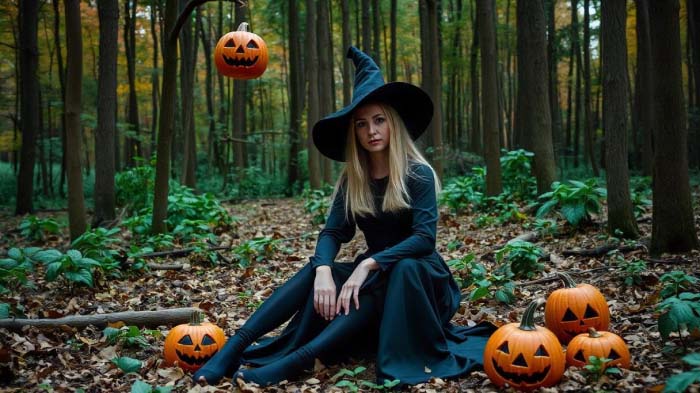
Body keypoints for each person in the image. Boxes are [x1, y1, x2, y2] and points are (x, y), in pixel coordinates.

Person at [193, 46, 495, 387]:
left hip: (421, 282)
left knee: (394, 272)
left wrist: (368, 264)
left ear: (393, 124)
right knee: (318, 269)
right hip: (381, 277)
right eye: (362, 124)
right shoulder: (354, 180)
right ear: (354, 132)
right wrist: (323, 269)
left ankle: (298, 361)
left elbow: (424, 240)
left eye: (379, 120)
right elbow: (333, 232)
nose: (371, 131)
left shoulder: (417, 174)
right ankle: (233, 347)